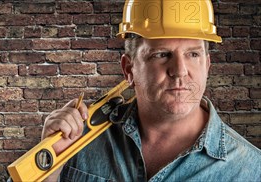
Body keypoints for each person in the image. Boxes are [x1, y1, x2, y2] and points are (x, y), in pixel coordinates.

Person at [41, 0, 261, 181]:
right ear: (129, 69)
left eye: (193, 54)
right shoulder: (78, 143)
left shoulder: (251, 170)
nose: (180, 71)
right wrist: (47, 165)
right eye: (162, 54)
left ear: (207, 65)